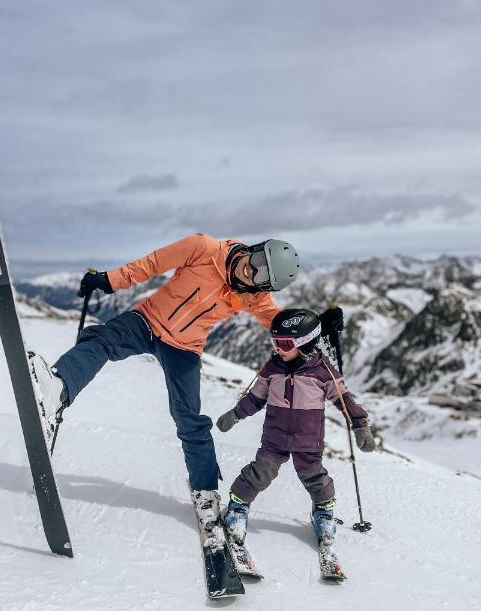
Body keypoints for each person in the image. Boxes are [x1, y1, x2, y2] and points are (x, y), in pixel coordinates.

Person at [27, 234, 300, 535]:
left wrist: (312, 329)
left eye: (263, 275)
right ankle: (58, 389)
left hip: (184, 348)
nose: (253, 269)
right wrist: (108, 281)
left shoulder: (254, 296)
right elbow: (153, 264)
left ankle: (206, 493)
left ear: (264, 287)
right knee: (101, 338)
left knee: (190, 420)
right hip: (145, 321)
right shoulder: (205, 249)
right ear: (256, 248)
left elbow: (279, 322)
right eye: (259, 259)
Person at [215, 308, 374, 567]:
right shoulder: (272, 367)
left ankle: (323, 511)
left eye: (284, 343)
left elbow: (344, 400)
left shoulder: (323, 371)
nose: (278, 348)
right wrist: (235, 415)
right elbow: (256, 397)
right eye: (274, 342)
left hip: (308, 439)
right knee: (260, 472)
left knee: (314, 476)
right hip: (275, 436)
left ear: (303, 343)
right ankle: (237, 507)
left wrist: (360, 426)